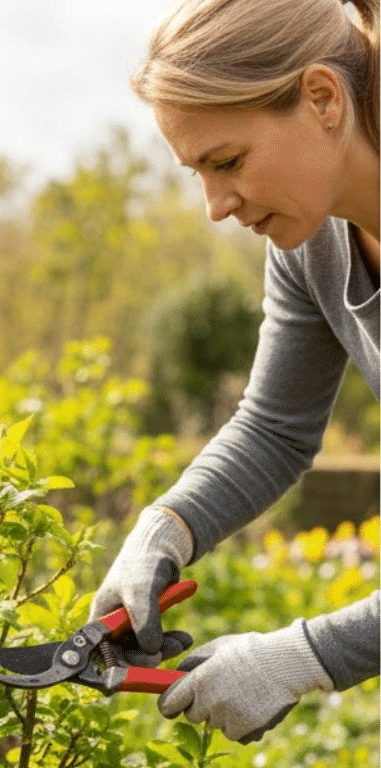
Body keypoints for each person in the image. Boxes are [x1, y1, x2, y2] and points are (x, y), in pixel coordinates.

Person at [90, 0, 380, 745]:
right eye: (197, 172)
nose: (216, 205)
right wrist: (166, 526)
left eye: (227, 161)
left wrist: (307, 655)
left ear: (322, 98)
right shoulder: (309, 245)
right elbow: (274, 430)